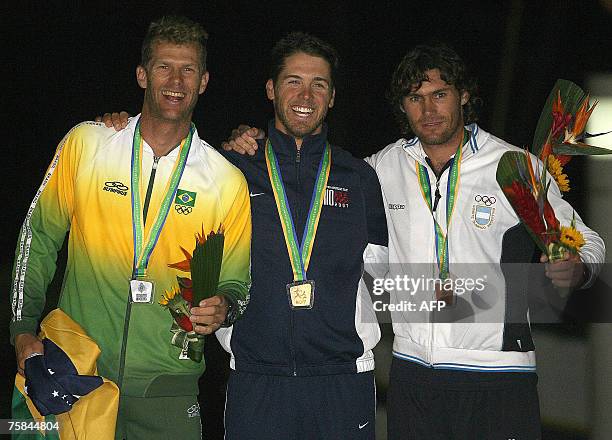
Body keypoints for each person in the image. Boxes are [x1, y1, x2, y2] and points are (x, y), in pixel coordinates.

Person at [221, 43, 605, 439]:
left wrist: (577, 268)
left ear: (465, 96)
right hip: (412, 373)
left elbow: (588, 241)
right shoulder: (380, 170)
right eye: (415, 98)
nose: (429, 110)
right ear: (402, 107)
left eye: (440, 95)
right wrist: (245, 140)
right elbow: (316, 173)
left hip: (498, 373)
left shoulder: (513, 166)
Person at [101, 32, 388, 439]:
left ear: (333, 96)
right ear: (271, 89)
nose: (305, 94)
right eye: (293, 81)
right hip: (256, 379)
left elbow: (383, 279)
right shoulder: (231, 169)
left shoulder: (359, 178)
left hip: (342, 380)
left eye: (318, 84)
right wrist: (115, 130)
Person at [10, 15, 252, 439]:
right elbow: (39, 238)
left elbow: (237, 282)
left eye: (188, 69)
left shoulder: (225, 180)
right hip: (74, 377)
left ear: (204, 81)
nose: (175, 80)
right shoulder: (87, 143)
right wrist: (22, 329)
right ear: (142, 75)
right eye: (163, 66)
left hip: (168, 392)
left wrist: (225, 306)